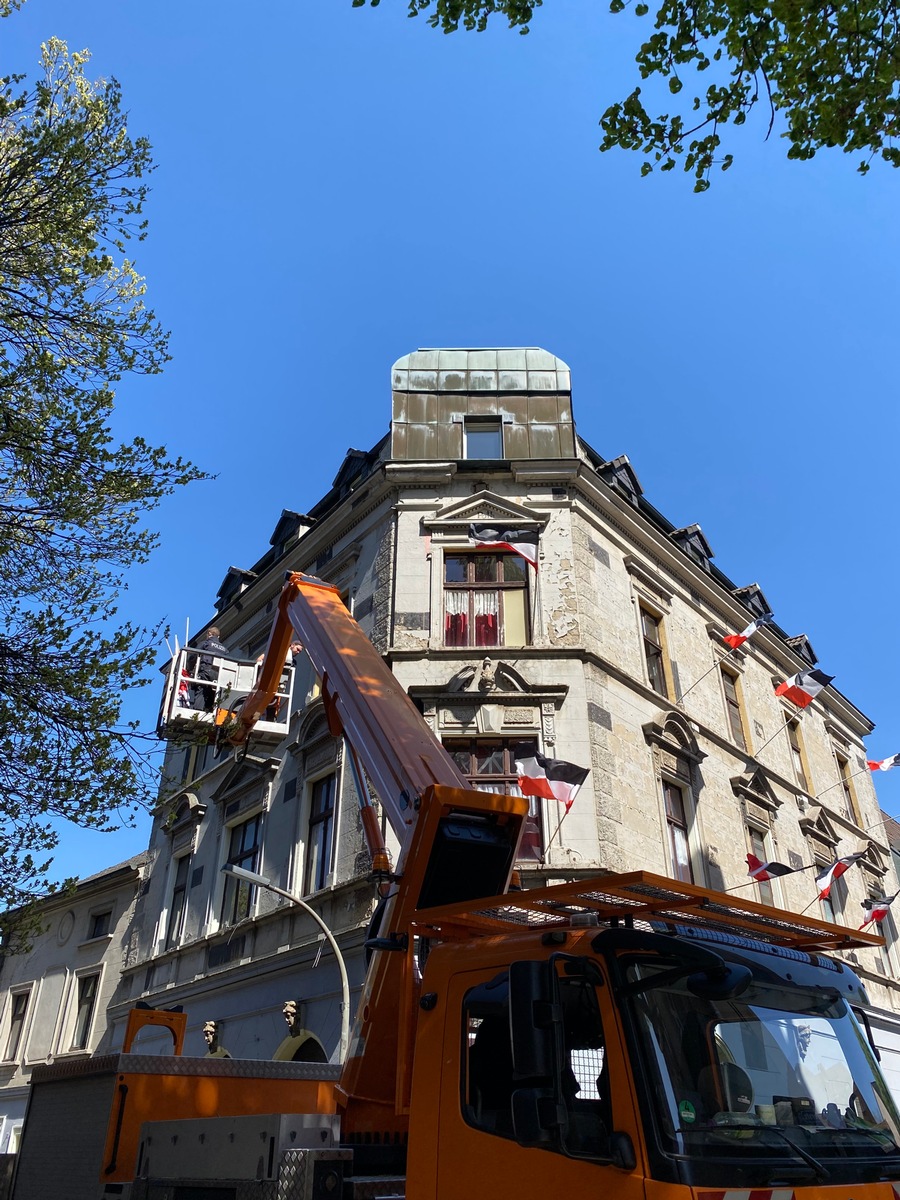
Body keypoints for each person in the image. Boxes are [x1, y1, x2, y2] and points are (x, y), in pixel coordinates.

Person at [191, 626, 230, 711]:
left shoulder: (205, 643)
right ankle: (210, 711)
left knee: (201, 690)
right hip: (217, 675)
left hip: (205, 671)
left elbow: (192, 656)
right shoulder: (225, 650)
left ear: (209, 634)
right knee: (212, 693)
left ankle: (197, 712)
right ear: (218, 637)